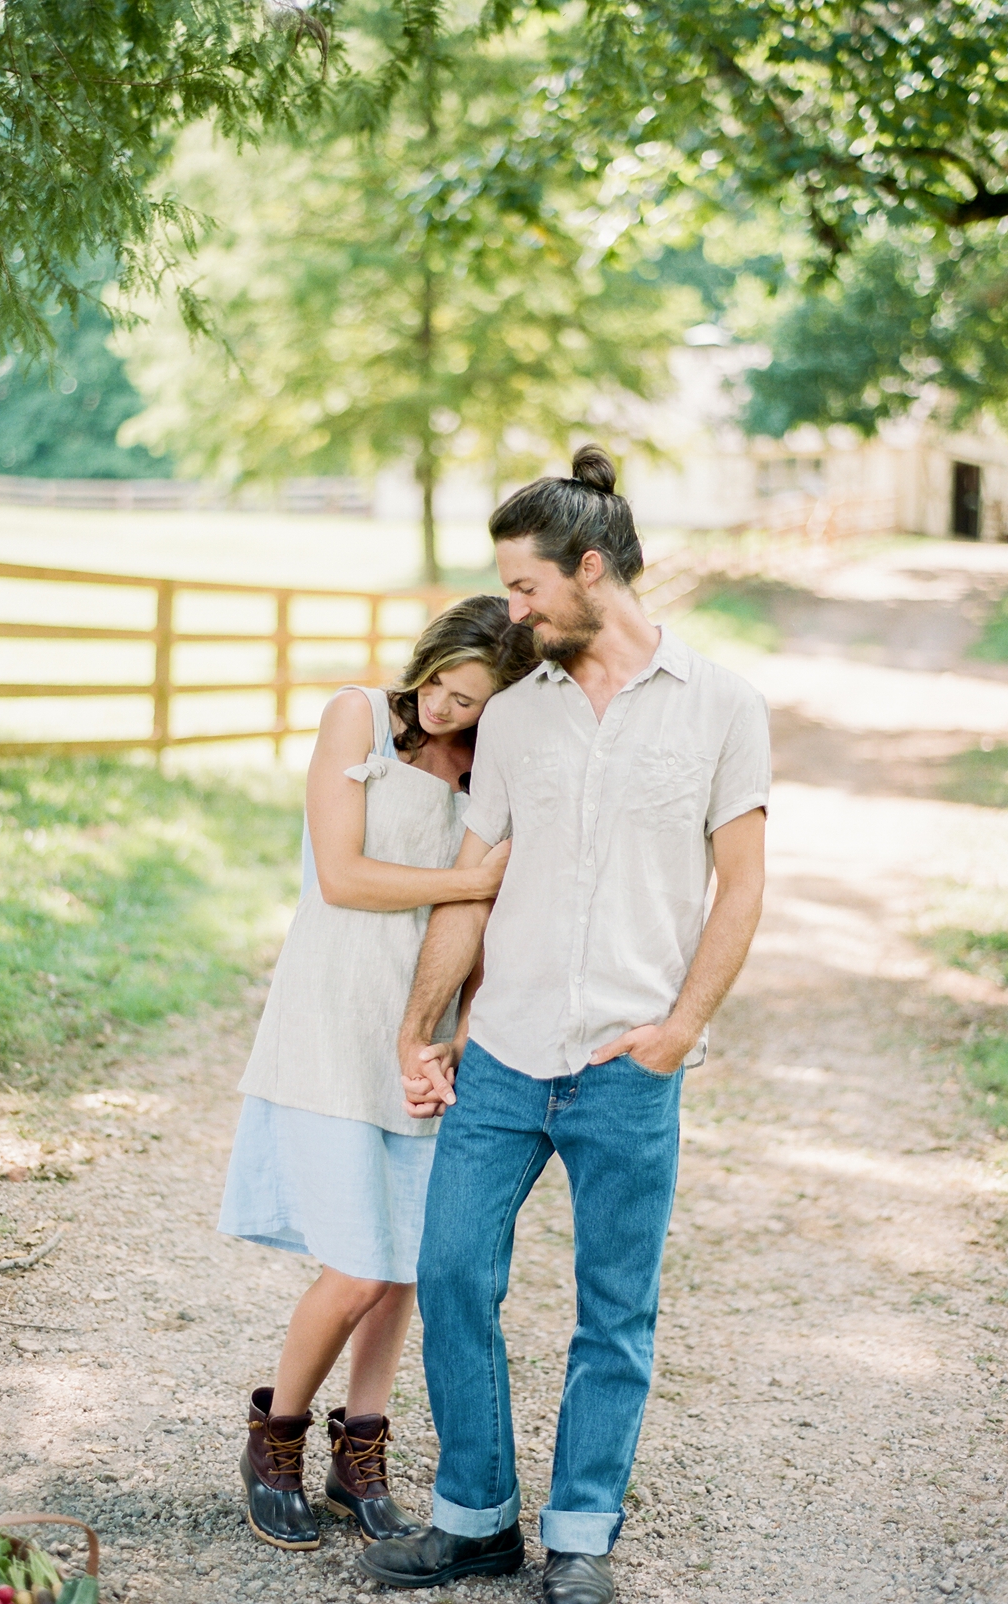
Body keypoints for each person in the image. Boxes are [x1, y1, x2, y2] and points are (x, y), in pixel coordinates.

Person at [359, 446, 770, 1604]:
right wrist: (420, 1022)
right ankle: (476, 1517)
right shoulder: (518, 717)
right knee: (449, 1272)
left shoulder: (724, 706)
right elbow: (476, 874)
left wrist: (681, 1027)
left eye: (528, 586)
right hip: (504, 1054)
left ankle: (581, 1535)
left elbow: (740, 885)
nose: (513, 608)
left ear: (593, 569)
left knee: (615, 1310)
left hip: (629, 1064)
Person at [219, 595, 537, 1553]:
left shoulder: (493, 771)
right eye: (439, 683)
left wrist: (463, 1030)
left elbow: (491, 926)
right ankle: (274, 1437)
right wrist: (476, 879)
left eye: (469, 700)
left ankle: (361, 1450)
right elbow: (344, 874)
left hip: (420, 1031)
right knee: (357, 1263)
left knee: (404, 1264)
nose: (443, 708)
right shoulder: (357, 715)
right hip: (330, 1018)